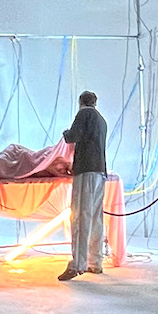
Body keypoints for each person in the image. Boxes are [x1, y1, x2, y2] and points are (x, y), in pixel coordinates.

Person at [58, 91, 108, 281]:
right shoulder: (101, 120)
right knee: (96, 218)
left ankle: (78, 264)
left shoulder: (84, 114)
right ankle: (95, 261)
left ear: (81, 103)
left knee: (80, 216)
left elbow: (73, 136)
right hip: (99, 172)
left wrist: (65, 133)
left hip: (86, 170)